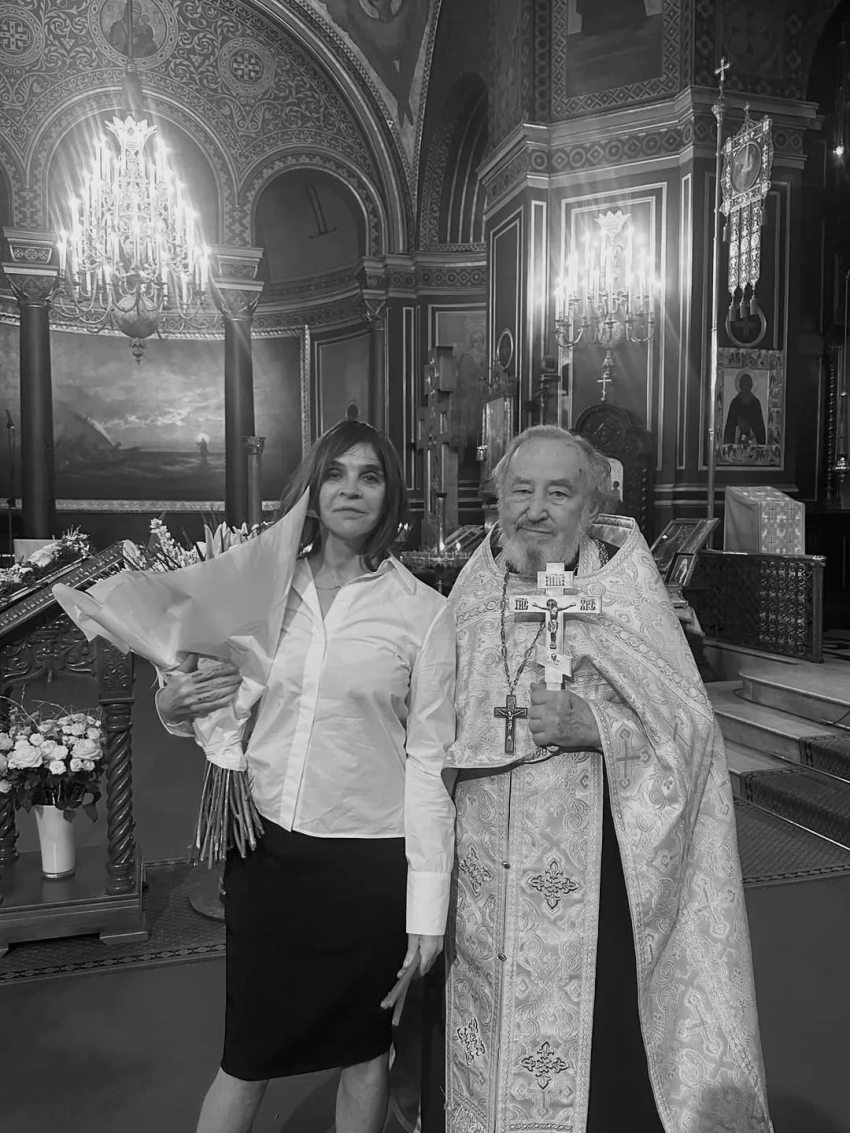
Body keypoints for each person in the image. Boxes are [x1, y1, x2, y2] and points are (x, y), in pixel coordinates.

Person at [440, 425, 772, 1132]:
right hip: (484, 884)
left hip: (595, 889)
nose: (535, 510)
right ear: (498, 498)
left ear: (591, 506)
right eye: (521, 491)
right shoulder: (472, 594)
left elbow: (691, 733)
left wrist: (599, 726)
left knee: (600, 1072)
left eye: (558, 493)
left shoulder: (623, 595)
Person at [156, 420, 457, 1133]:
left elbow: (430, 764)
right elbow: (214, 705)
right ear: (313, 490)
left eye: (370, 476)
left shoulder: (424, 613)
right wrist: (171, 703)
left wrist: (427, 910)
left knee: (364, 1055)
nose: (351, 489)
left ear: (390, 495)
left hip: (369, 864)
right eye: (336, 474)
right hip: (268, 852)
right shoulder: (260, 588)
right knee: (246, 1057)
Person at [723, 371, 767, 446]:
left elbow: (759, 427)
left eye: (747, 384)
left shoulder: (755, 403)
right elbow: (730, 427)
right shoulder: (735, 402)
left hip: (752, 440)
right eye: (744, 384)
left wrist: (760, 443)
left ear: (751, 385)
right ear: (740, 385)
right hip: (738, 438)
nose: (745, 386)